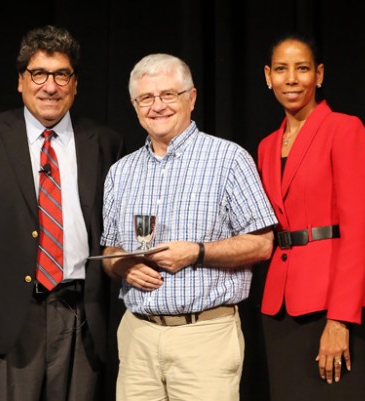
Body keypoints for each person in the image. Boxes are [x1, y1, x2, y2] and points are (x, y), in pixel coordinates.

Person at [0, 25, 124, 401]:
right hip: (4, 321)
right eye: (38, 74)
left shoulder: (105, 143)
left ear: (75, 84)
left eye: (61, 75)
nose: (50, 87)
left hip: (83, 316)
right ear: (21, 81)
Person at [99, 53, 278, 401]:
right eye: (146, 98)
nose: (157, 106)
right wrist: (124, 265)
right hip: (138, 336)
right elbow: (109, 251)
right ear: (135, 106)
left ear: (191, 98)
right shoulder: (120, 172)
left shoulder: (229, 159)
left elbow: (262, 244)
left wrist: (196, 253)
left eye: (168, 95)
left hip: (204, 336)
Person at [257, 33, 365, 400]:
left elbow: (357, 230)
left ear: (319, 74)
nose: (291, 79)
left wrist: (340, 319)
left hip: (331, 304)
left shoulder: (344, 128)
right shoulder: (266, 145)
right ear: (267, 76)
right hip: (280, 309)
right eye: (281, 69)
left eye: (302, 68)